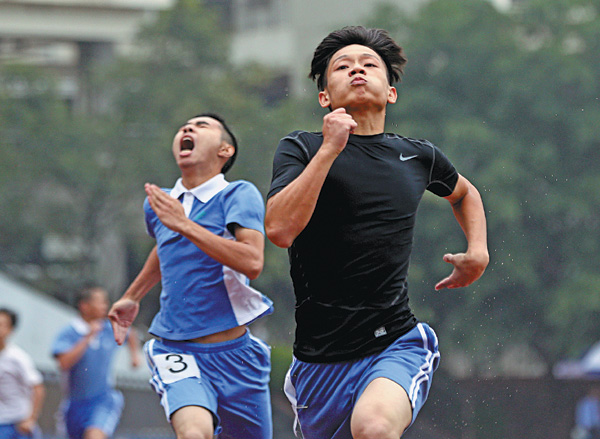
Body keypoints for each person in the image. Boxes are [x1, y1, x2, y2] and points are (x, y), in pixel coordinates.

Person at [265, 26, 489, 439]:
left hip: (395, 343)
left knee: (373, 427)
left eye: (370, 65)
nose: (357, 71)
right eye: (343, 66)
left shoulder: (418, 157)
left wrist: (478, 250)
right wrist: (331, 148)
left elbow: (465, 192)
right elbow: (279, 229)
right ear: (324, 98)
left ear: (391, 92)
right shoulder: (301, 148)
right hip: (319, 362)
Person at [108, 113, 274, 439]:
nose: (187, 128)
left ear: (225, 150)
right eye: (185, 125)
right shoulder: (160, 204)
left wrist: (184, 224)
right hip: (177, 350)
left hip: (237, 356)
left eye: (202, 126)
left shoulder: (238, 194)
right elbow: (165, 249)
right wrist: (132, 296)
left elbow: (252, 261)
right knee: (194, 433)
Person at [51, 287, 140, 439]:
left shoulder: (109, 328)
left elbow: (131, 333)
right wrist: (88, 337)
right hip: (74, 403)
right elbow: (64, 363)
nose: (105, 306)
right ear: (84, 306)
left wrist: (134, 356)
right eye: (100, 302)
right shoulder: (70, 331)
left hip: (103, 398)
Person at [0, 308, 45, 439]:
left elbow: (38, 388)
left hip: (17, 424)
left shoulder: (17, 357)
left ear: (11, 330)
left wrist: (30, 419)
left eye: (2, 325)